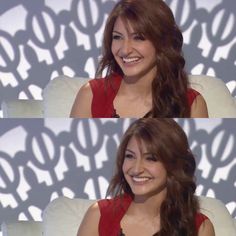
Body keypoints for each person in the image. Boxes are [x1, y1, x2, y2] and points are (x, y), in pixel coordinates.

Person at [77, 118, 215, 236]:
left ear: (174, 164)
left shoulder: (200, 228)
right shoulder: (99, 215)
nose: (136, 169)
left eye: (151, 158)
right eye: (130, 156)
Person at [70, 0, 208, 118]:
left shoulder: (192, 105)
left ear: (163, 41)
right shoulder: (90, 95)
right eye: (117, 37)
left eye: (138, 38)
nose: (125, 50)